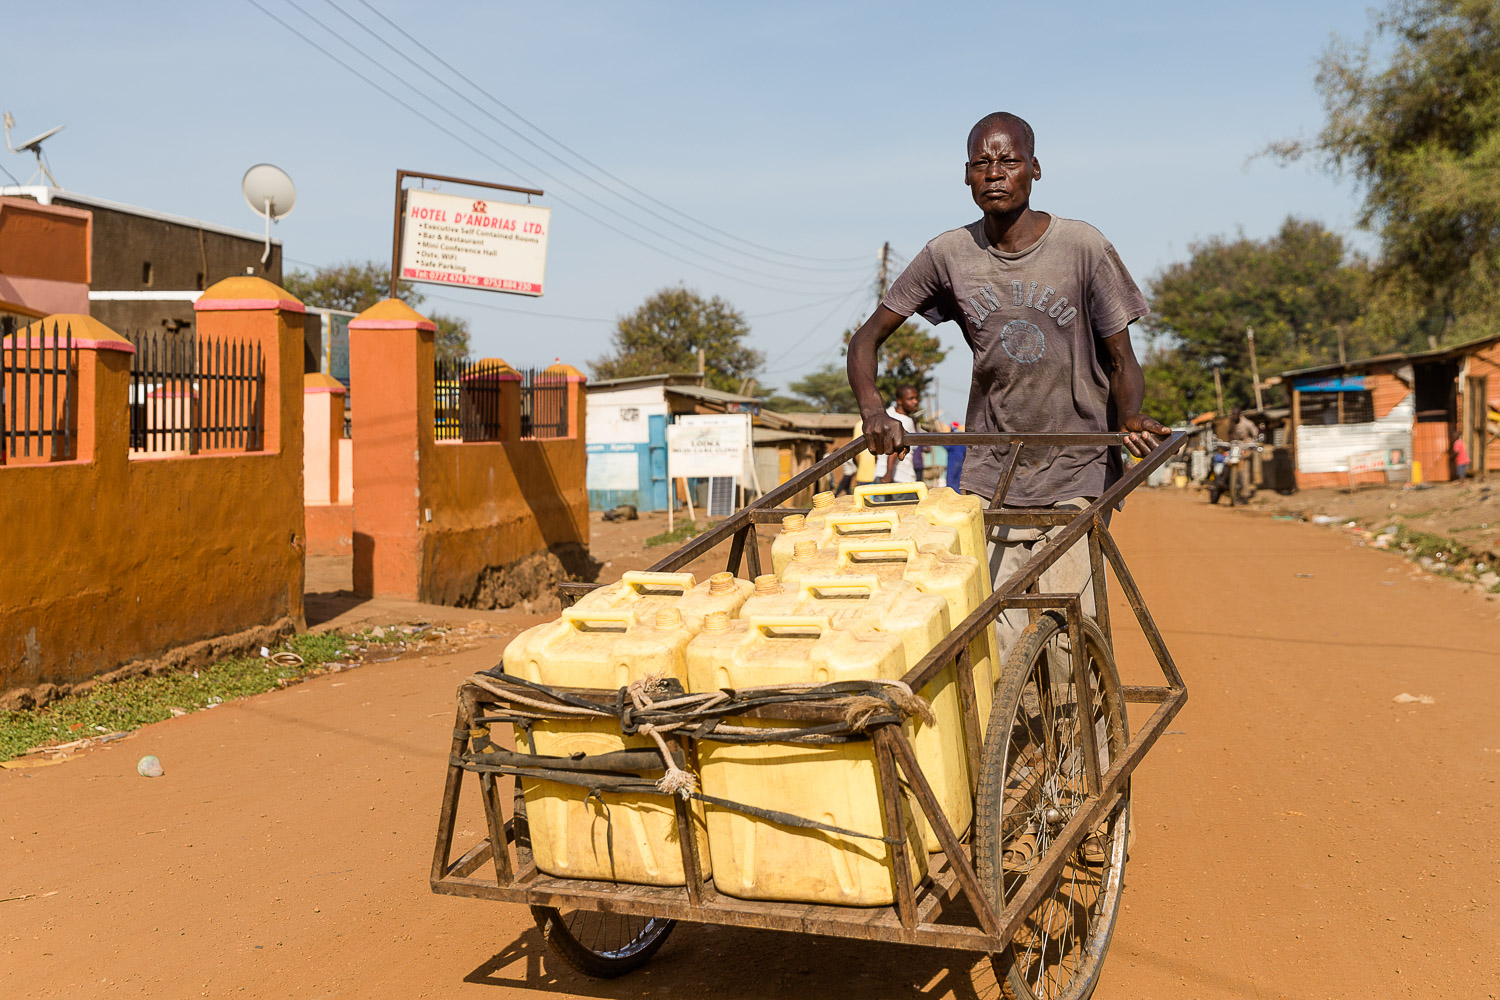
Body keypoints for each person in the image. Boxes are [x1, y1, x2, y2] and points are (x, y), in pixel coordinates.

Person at [847, 110, 1168, 650]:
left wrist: (1131, 415)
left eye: (1008, 161)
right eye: (982, 163)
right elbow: (865, 339)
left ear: (1035, 169)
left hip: (1077, 463)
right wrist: (875, 411)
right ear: (967, 175)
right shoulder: (949, 254)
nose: (995, 172)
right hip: (992, 469)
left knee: (1067, 637)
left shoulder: (1081, 247)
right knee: (997, 642)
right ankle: (1017, 736)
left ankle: (1081, 727)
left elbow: (1121, 358)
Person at [873, 385, 922, 484]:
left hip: (880, 473)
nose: (915, 402)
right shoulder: (904, 421)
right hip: (901, 477)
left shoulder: (886, 415)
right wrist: (889, 473)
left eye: (916, 398)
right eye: (910, 399)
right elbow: (895, 449)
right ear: (899, 400)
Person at [946, 422, 967, 489]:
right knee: (958, 479)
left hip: (953, 461)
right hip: (961, 461)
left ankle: (951, 494)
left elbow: (946, 446)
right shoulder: (962, 439)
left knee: (951, 480)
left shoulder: (951, 439)